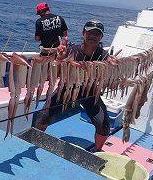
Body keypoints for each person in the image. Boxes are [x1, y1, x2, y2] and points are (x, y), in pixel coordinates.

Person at [35, 19, 115, 152]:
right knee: (43, 116)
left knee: (104, 123)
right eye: (89, 33)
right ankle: (35, 141)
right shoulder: (71, 51)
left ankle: (97, 150)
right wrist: (60, 58)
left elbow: (109, 78)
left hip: (89, 92)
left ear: (101, 36)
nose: (93, 36)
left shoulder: (105, 56)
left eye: (97, 34)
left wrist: (113, 67)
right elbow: (56, 74)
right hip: (67, 88)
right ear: (83, 33)